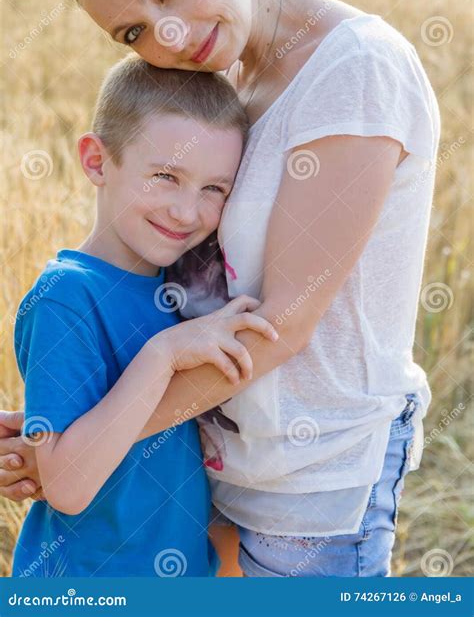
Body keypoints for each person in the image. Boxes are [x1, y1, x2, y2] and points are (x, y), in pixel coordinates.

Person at [0, 0, 440, 577]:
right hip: (215, 481)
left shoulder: (353, 69)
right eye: (135, 30)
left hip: (312, 490)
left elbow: (281, 326)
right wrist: (62, 425)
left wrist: (78, 452)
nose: (168, 33)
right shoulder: (225, 84)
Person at [10, 54, 278, 577]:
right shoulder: (66, 297)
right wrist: (164, 354)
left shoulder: (182, 293)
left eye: (213, 189)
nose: (186, 211)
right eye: (164, 175)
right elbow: (66, 486)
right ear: (96, 161)